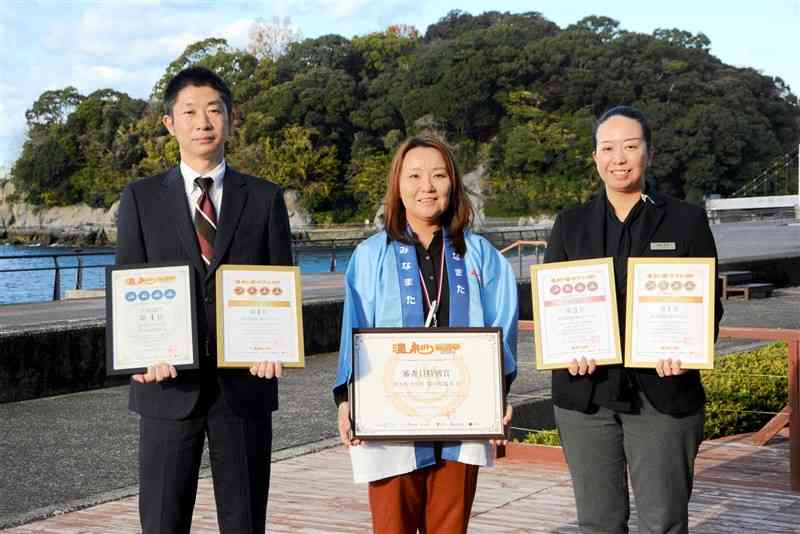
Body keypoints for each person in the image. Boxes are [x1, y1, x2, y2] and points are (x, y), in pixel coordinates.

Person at [115, 66, 292, 534]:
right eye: (189, 112)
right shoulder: (140, 198)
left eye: (214, 110)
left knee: (245, 521)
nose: (203, 122)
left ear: (231, 118)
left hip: (245, 387)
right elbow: (128, 284)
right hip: (166, 386)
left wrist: (275, 344)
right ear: (169, 123)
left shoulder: (266, 198)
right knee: (162, 521)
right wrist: (136, 353)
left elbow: (279, 286)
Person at [544, 105, 724, 534]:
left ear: (650, 153)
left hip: (662, 391)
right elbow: (549, 303)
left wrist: (685, 347)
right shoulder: (569, 224)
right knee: (597, 523)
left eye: (630, 146)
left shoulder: (686, 219)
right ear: (595, 157)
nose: (618, 158)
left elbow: (708, 301)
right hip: (585, 394)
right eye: (607, 148)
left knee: (663, 522)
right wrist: (568, 348)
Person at [333, 136, 518, 534]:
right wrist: (347, 399)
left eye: (438, 175)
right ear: (397, 185)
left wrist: (498, 393)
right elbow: (354, 327)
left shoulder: (481, 254)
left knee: (450, 526)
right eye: (414, 175)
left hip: (463, 415)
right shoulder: (370, 255)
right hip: (388, 419)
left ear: (453, 183)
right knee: (392, 526)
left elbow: (502, 327)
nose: (427, 187)